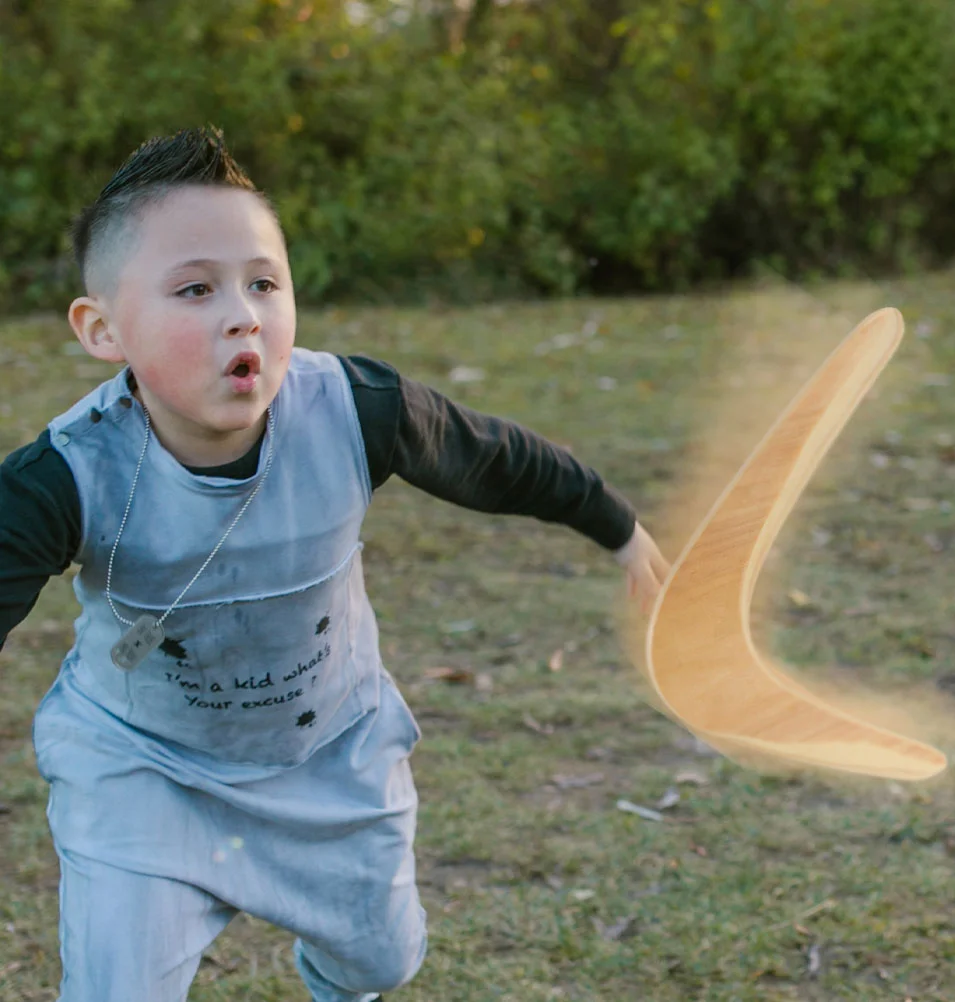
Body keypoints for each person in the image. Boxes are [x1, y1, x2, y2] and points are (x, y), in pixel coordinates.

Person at [0, 126, 669, 1002]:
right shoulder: (66, 475)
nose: (242, 312)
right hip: (145, 768)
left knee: (381, 961)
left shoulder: (353, 409)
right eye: (195, 289)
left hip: (330, 754)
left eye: (263, 283)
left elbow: (497, 459)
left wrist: (618, 527)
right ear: (103, 330)